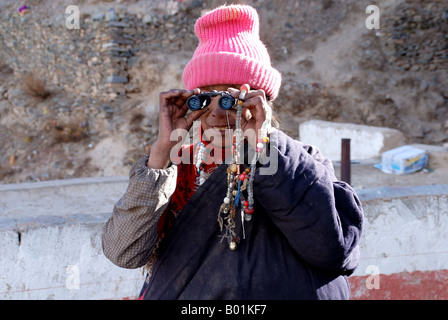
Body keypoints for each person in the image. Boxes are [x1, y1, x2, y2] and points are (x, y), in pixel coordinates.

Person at [102, 4, 363, 300]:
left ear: (260, 102)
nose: (216, 114)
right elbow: (123, 252)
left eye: (230, 99)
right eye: (206, 98)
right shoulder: (179, 169)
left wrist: (264, 148)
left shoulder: (300, 162)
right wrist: (162, 152)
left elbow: (333, 249)